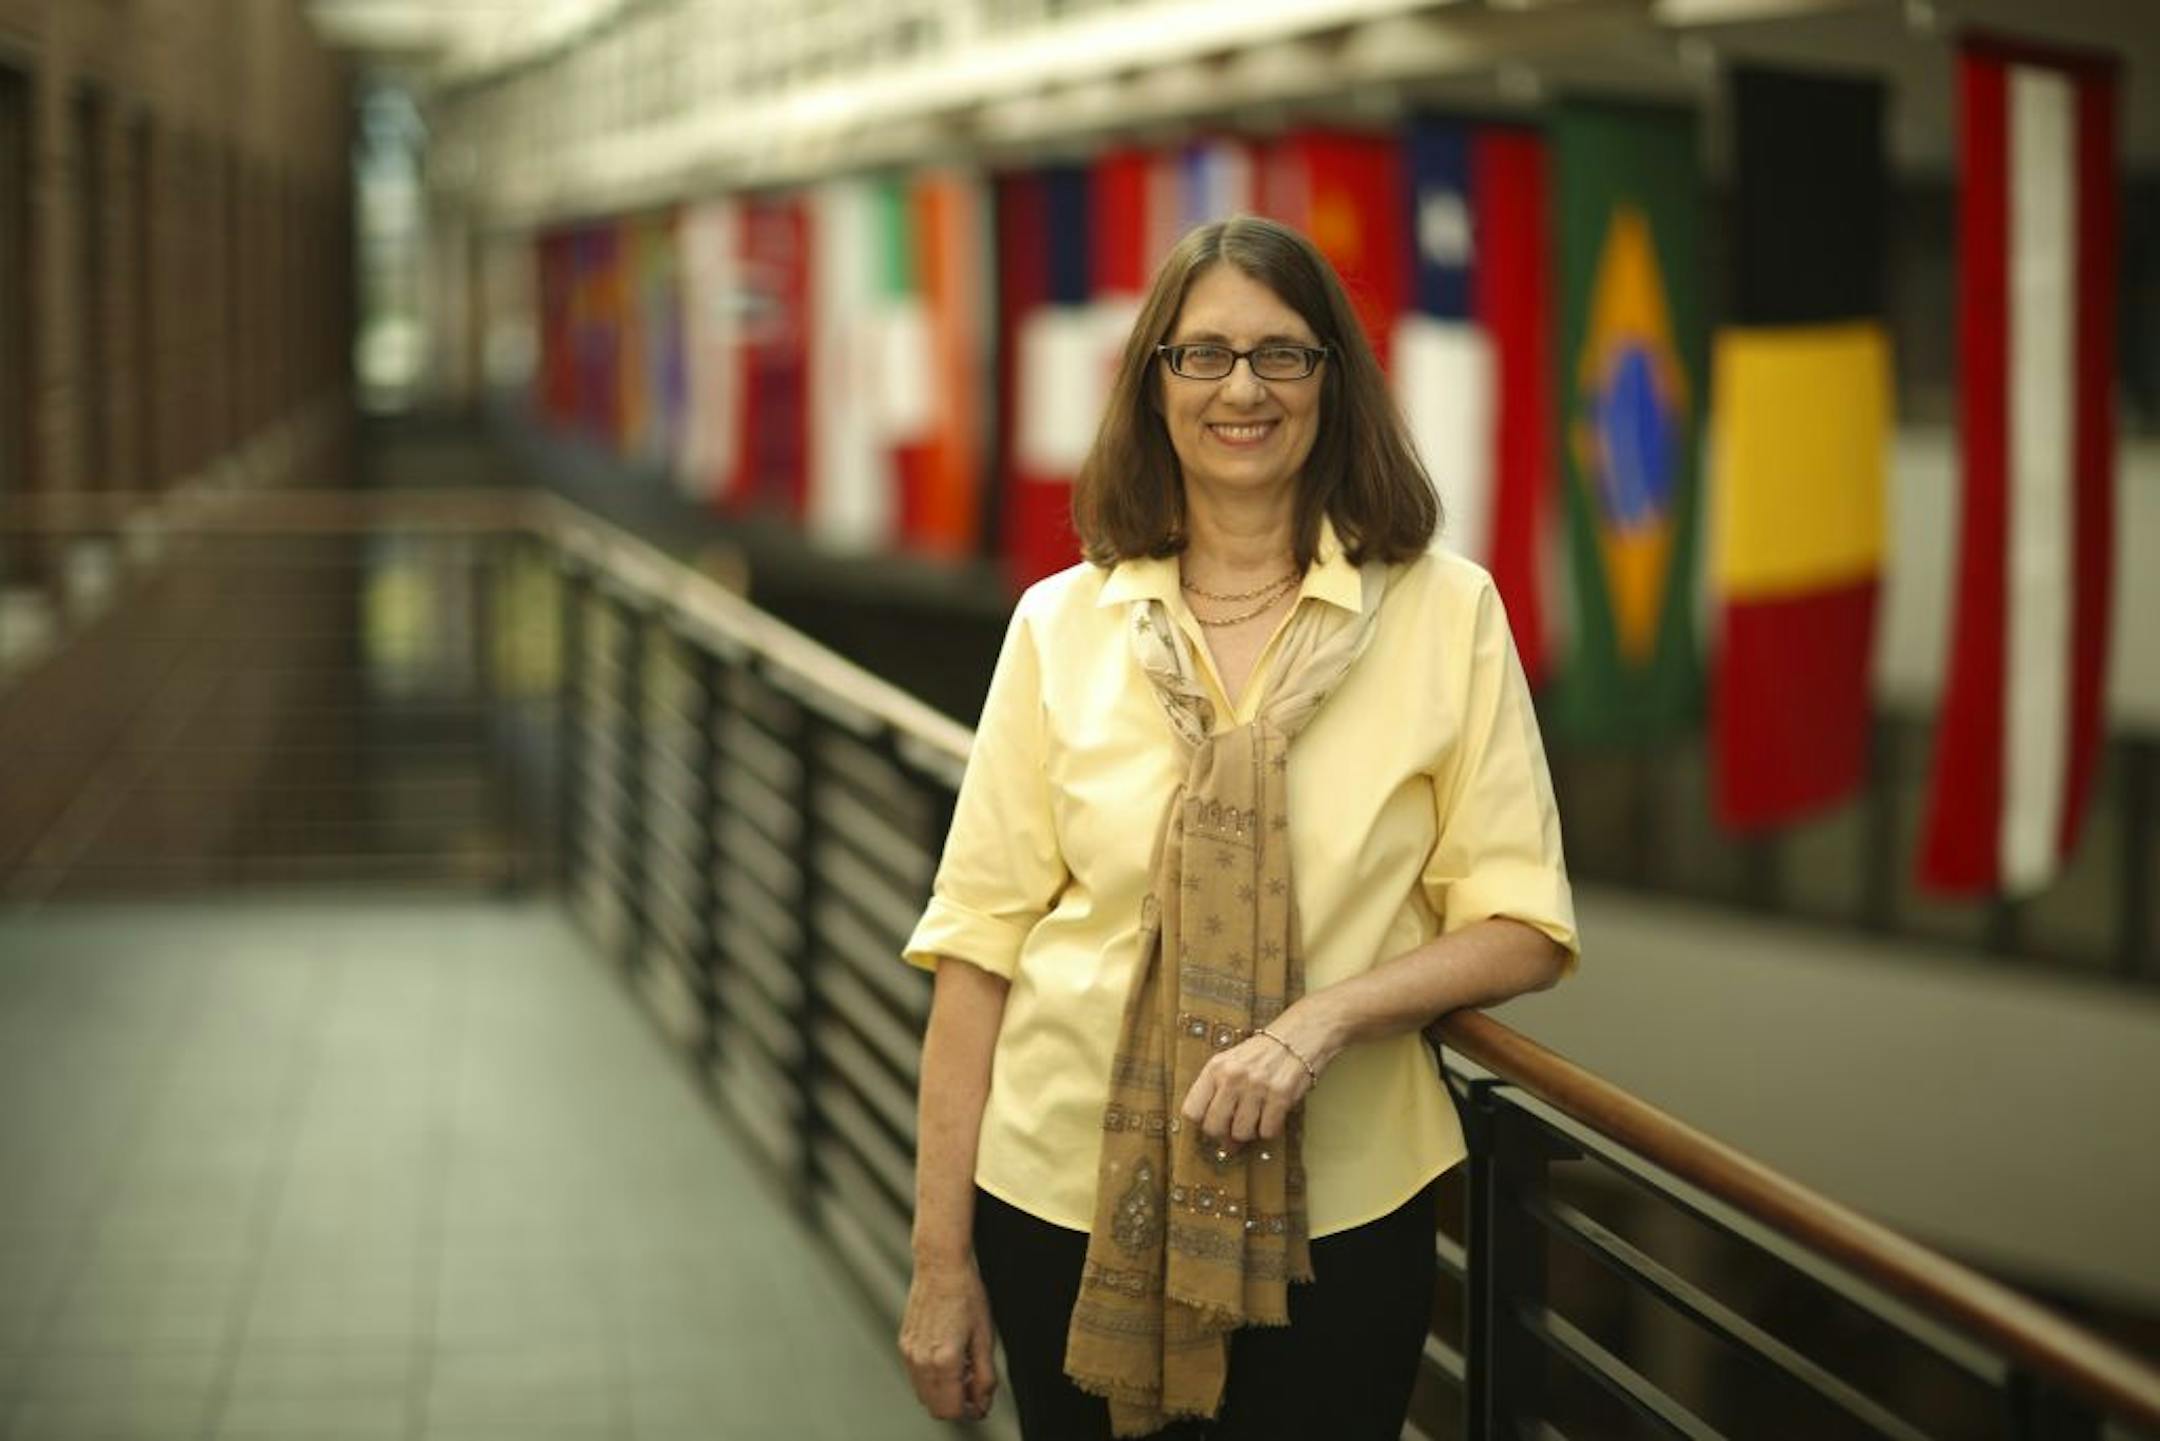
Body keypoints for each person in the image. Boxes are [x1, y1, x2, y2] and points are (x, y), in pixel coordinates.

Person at [897, 214, 1578, 1440]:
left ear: (1334, 381)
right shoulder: (1062, 625)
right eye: (1202, 355)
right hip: (1060, 1197)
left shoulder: (1443, 612)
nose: (1243, 389)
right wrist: (940, 1267)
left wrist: (1321, 1021)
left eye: (1282, 354)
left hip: (1345, 1211)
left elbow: (1522, 922)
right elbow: (978, 950)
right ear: (1154, 384)